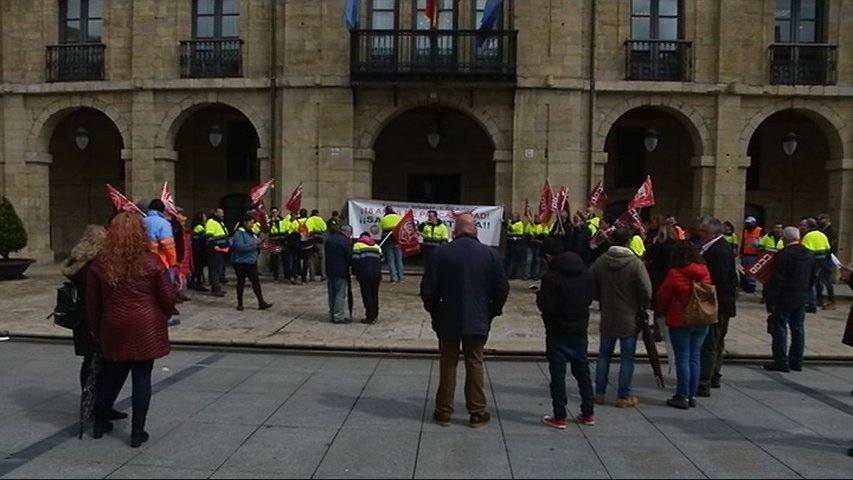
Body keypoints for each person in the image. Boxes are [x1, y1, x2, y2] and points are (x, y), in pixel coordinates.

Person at [85, 212, 176, 448]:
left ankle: (100, 421)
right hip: (146, 324)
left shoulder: (101, 263)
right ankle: (137, 431)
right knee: (142, 377)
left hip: (114, 325)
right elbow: (167, 297)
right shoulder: (151, 261)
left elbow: (92, 303)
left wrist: (96, 330)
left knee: (110, 375)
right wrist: (163, 316)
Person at [420, 213, 509, 428]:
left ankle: (443, 412)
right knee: (475, 363)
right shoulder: (489, 254)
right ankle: (477, 412)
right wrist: (491, 312)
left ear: (455, 230)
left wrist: (435, 312)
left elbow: (427, 290)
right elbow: (502, 289)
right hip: (478, 317)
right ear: (475, 229)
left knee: (448, 364)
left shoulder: (441, 253)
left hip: (448, 318)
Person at [62, 225, 128, 422]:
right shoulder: (95, 266)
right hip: (94, 318)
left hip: (80, 320)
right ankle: (100, 407)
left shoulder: (77, 262)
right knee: (106, 365)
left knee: (88, 363)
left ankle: (90, 403)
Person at [590, 226, 652, 408]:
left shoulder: (601, 262)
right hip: (629, 316)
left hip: (608, 314)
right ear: (628, 241)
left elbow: (592, 286)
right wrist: (642, 304)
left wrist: (601, 297)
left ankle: (599, 393)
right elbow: (647, 291)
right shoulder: (635, 263)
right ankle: (623, 396)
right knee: (627, 358)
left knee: (604, 355)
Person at [536, 249, 596, 428]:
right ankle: (588, 412)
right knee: (582, 373)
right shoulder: (586, 275)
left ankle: (559, 415)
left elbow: (547, 305)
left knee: (558, 375)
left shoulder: (551, 277)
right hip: (579, 329)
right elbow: (589, 298)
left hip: (557, 330)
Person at [655, 241, 712, 409]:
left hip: (679, 318)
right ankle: (693, 395)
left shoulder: (675, 272)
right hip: (701, 317)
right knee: (695, 357)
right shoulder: (704, 271)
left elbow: (662, 295)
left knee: (682, 358)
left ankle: (682, 395)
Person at [696, 216, 739, 397]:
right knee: (716, 342)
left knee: (710, 344)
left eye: (703, 231)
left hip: (716, 305)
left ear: (713, 233)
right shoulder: (715, 248)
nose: (700, 234)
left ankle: (705, 381)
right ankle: (713, 376)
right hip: (719, 303)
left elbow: (720, 281)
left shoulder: (718, 250)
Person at [763, 226, 815, 372]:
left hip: (784, 297)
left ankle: (781, 361)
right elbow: (812, 278)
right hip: (801, 296)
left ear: (785, 239)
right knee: (798, 329)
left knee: (780, 328)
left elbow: (777, 280)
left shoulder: (783, 255)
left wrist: (770, 300)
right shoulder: (809, 255)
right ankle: (797, 361)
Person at [230, 214, 273, 311]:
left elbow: (255, 242)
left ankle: (261, 302)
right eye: (251, 222)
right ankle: (240, 303)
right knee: (241, 282)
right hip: (240, 262)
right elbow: (240, 247)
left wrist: (260, 242)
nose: (252, 224)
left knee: (256, 282)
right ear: (245, 222)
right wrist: (254, 244)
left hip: (251, 261)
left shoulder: (250, 233)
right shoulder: (238, 233)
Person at [644, 224, 678, 341]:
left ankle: (658, 331)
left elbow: (647, 256)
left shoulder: (657, 247)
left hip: (658, 277)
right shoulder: (677, 247)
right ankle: (669, 329)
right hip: (673, 277)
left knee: (659, 305)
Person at [799, 217, 831, 314]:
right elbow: (828, 249)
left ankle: (810, 303)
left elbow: (805, 250)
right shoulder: (822, 235)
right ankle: (818, 299)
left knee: (809, 281)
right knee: (817, 280)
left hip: (812, 261)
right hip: (822, 260)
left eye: (804, 226)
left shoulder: (808, 236)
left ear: (808, 226)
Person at [352, 231, 383, 324]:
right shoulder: (377, 246)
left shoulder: (357, 245)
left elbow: (355, 260)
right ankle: (375, 314)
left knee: (367, 295)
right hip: (377, 274)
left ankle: (370, 316)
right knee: (374, 295)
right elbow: (382, 259)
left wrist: (354, 272)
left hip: (364, 274)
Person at [324, 225, 353, 323]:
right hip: (341, 271)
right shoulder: (345, 242)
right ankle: (338, 316)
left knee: (331, 293)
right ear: (347, 232)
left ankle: (332, 314)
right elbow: (349, 257)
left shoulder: (329, 240)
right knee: (340, 294)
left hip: (329, 270)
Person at [205, 208, 229, 297]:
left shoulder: (220, 222)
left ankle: (217, 286)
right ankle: (215, 288)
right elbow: (209, 236)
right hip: (215, 251)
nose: (222, 214)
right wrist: (214, 246)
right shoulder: (211, 222)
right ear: (215, 213)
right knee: (215, 270)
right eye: (220, 213)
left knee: (219, 269)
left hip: (222, 250)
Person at [418, 210, 448, 280]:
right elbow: (419, 229)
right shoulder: (426, 225)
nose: (429, 218)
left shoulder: (442, 227)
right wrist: (424, 223)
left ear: (435, 217)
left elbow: (444, 239)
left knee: (435, 264)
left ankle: (436, 277)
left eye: (431, 216)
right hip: (426, 247)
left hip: (436, 248)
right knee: (427, 264)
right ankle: (428, 277)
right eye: (428, 216)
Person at [816, 213, 837, 310]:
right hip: (822, 256)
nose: (819, 221)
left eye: (821, 219)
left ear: (827, 219)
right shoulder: (821, 230)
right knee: (819, 279)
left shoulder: (831, 231)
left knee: (826, 280)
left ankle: (831, 299)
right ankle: (819, 298)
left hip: (827, 257)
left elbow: (833, 245)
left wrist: (830, 255)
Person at [379, 206, 404, 282]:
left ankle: (393, 278)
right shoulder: (398, 218)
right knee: (399, 260)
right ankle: (401, 278)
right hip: (397, 241)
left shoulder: (383, 219)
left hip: (388, 242)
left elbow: (382, 228)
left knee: (391, 260)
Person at [739, 216, 763, 293]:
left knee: (751, 272)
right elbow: (743, 242)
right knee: (744, 271)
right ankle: (745, 286)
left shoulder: (759, 230)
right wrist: (741, 252)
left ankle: (751, 287)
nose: (748, 225)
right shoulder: (745, 231)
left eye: (749, 224)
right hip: (745, 253)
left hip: (754, 254)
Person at [524, 214, 547, 280]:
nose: (536, 219)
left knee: (537, 261)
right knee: (529, 260)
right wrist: (529, 236)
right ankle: (527, 274)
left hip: (539, 245)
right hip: (530, 245)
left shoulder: (543, 226)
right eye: (535, 217)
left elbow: (546, 235)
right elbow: (526, 233)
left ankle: (535, 275)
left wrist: (538, 236)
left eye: (538, 217)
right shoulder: (529, 225)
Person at [189, 211, 208, 291]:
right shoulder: (199, 227)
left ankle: (194, 282)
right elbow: (204, 237)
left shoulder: (199, 226)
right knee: (198, 268)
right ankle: (197, 283)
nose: (205, 218)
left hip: (198, 249)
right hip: (198, 250)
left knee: (198, 268)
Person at [503, 212, 525, 279]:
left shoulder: (519, 224)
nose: (512, 218)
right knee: (507, 259)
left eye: (514, 217)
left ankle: (513, 275)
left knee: (514, 260)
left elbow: (511, 229)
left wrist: (508, 223)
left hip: (516, 244)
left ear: (517, 218)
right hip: (510, 243)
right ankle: (506, 274)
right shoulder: (513, 223)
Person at [308, 209, 328, 282]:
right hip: (319, 240)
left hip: (310, 240)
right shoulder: (320, 219)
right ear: (317, 213)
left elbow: (307, 229)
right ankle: (323, 275)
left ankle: (312, 276)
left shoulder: (309, 220)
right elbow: (324, 228)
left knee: (311, 259)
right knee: (322, 258)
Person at [267, 207, 286, 281]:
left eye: (276, 212)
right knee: (275, 259)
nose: (274, 214)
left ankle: (286, 275)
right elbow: (266, 229)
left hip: (282, 240)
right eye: (273, 212)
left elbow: (286, 228)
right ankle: (275, 276)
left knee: (285, 258)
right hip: (274, 241)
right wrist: (271, 223)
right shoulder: (269, 221)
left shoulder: (282, 220)